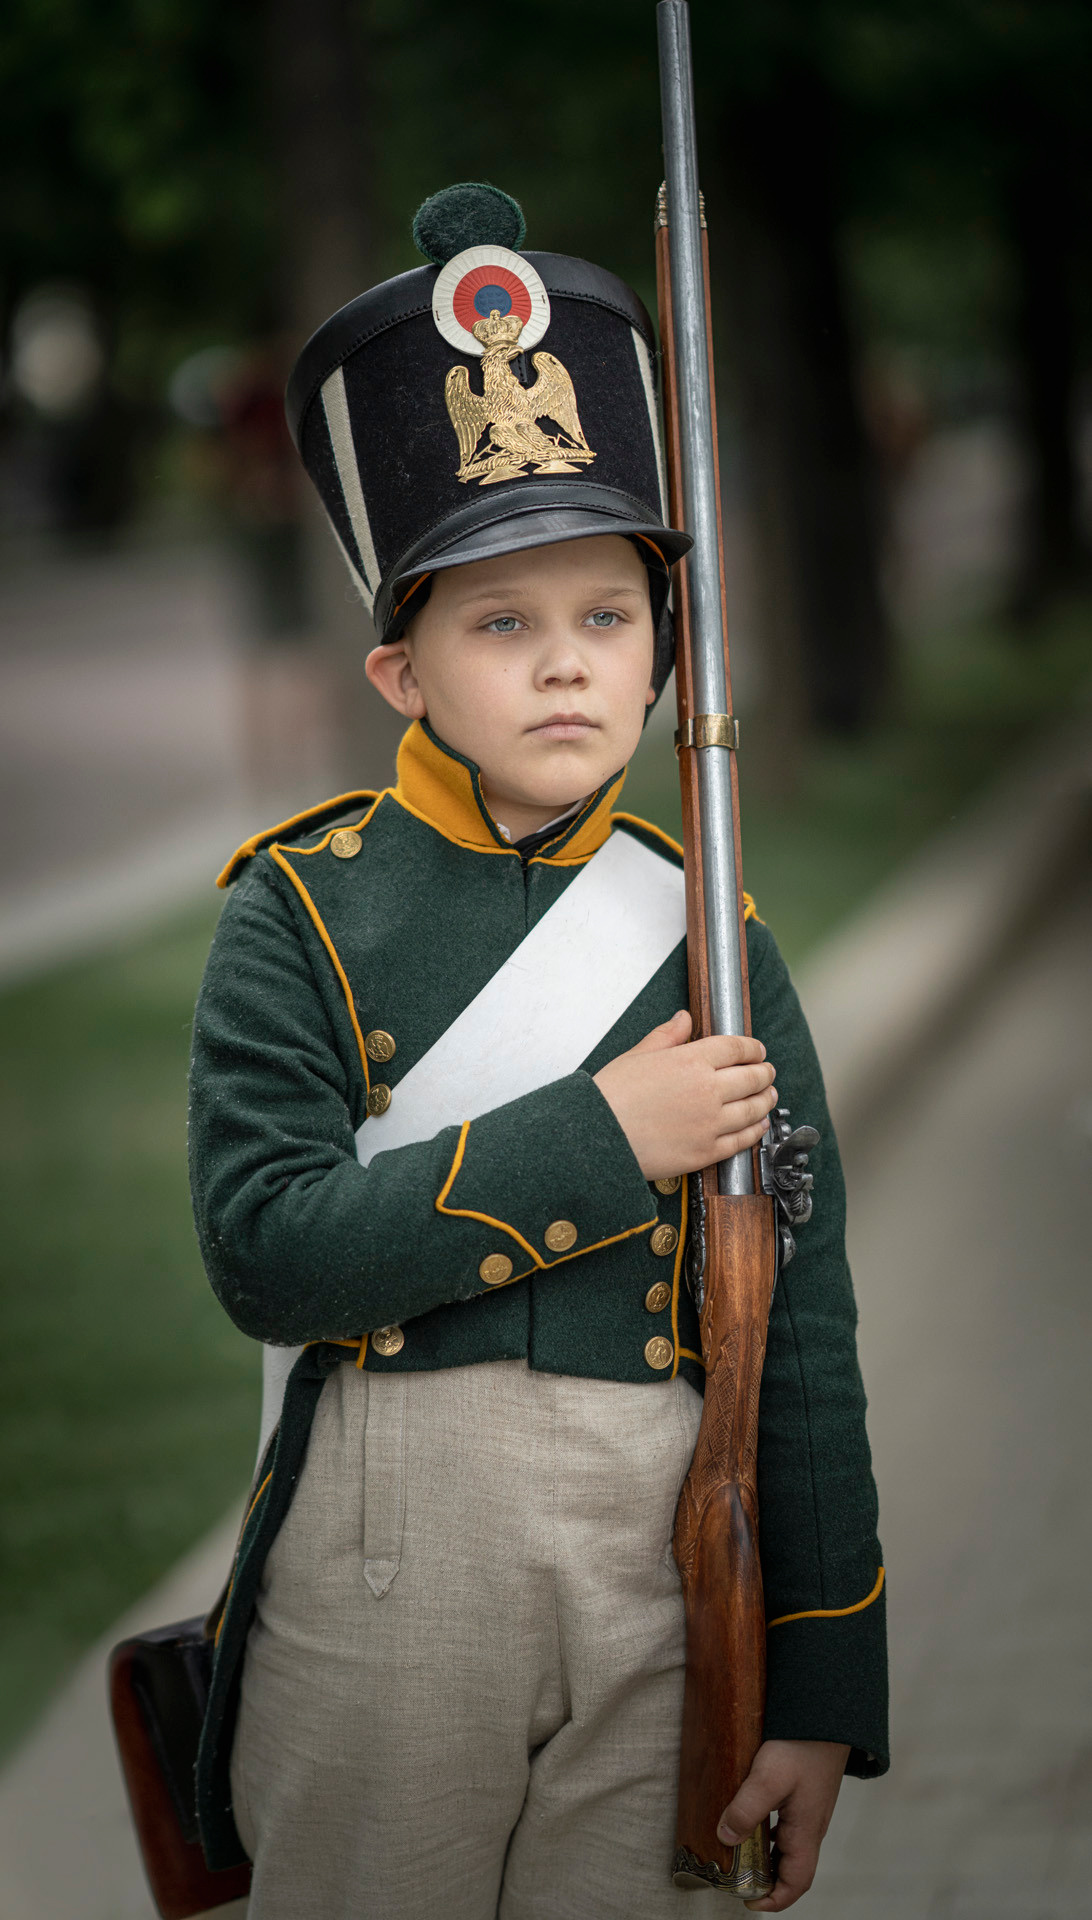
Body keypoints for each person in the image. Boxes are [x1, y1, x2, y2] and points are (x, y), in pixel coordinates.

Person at [189, 185, 887, 1918]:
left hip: (670, 1545)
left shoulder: (711, 936)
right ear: (399, 667)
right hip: (390, 1551)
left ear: (665, 655)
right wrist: (608, 1133)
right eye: (501, 625)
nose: (565, 668)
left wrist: (821, 1688)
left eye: (608, 618)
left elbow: (802, 1332)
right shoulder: (297, 910)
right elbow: (266, 1253)